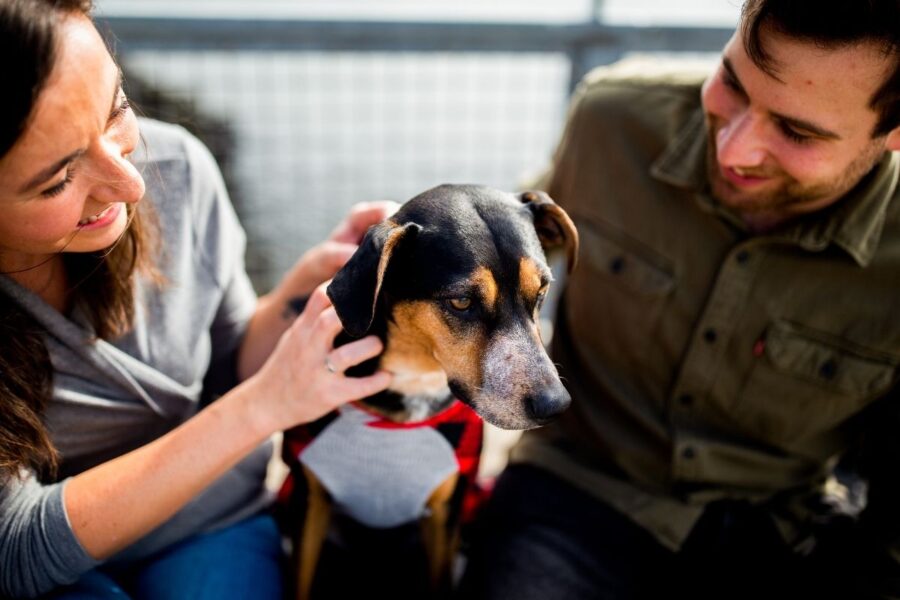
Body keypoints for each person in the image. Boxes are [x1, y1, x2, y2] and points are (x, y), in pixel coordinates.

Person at [460, 1, 900, 599]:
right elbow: (501, 260)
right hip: (572, 493)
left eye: (798, 132)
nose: (734, 149)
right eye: (731, 84)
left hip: (779, 535)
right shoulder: (609, 120)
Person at [0, 1, 394, 597]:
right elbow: (16, 549)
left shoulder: (177, 167)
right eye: (57, 179)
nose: (131, 183)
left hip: (209, 525)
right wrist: (263, 408)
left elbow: (230, 355)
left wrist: (299, 291)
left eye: (118, 110)